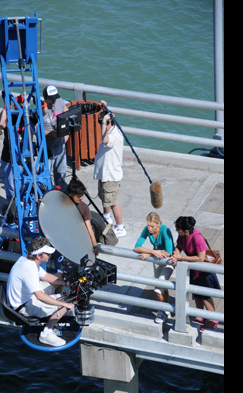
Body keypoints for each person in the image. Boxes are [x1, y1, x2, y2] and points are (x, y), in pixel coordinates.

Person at [6, 237, 75, 347]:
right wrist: (63, 304)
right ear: (39, 255)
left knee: (61, 275)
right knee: (65, 301)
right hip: (25, 306)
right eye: (47, 253)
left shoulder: (27, 259)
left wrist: (66, 281)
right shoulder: (29, 269)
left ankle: (53, 310)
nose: (49, 255)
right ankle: (46, 333)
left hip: (27, 296)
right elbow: (39, 296)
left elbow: (46, 276)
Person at [167, 216, 221, 331]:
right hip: (193, 270)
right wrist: (175, 254)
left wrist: (181, 258)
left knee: (205, 295)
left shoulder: (197, 238)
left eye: (178, 229)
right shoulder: (182, 236)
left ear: (186, 231)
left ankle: (213, 318)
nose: (177, 231)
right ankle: (199, 315)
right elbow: (179, 246)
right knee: (196, 294)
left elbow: (201, 258)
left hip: (203, 272)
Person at [93, 100, 126, 238]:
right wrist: (105, 107)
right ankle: (106, 217)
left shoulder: (113, 135)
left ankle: (120, 227)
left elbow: (105, 141)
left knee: (113, 203)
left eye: (104, 123)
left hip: (111, 176)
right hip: (105, 174)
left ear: (109, 123)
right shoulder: (110, 130)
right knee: (105, 198)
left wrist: (103, 123)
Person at [134, 212, 175, 323]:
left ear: (159, 223)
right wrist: (153, 252)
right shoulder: (147, 229)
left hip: (168, 261)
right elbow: (137, 247)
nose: (150, 228)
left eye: (152, 226)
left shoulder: (165, 230)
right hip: (157, 259)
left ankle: (161, 311)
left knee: (158, 288)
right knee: (163, 287)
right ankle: (167, 311)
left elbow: (169, 252)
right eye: (148, 225)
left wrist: (150, 254)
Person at [0, 91, 26, 201]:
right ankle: (12, 209)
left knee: (23, 187)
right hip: (8, 158)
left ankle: (20, 207)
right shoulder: (10, 117)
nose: (21, 107)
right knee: (10, 189)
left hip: (23, 160)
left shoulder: (28, 117)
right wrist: (5, 106)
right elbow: (0, 124)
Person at [42, 85, 69, 192]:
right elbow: (38, 131)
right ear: (45, 97)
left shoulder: (59, 101)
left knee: (61, 173)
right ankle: (47, 195)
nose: (54, 101)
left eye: (55, 98)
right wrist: (52, 134)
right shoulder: (40, 109)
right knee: (45, 176)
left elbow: (65, 110)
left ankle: (62, 193)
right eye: (51, 99)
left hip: (61, 145)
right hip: (48, 148)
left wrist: (66, 134)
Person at [67, 178, 100, 257]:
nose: (81, 198)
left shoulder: (84, 207)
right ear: (71, 194)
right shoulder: (63, 202)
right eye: (78, 196)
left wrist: (95, 245)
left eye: (82, 195)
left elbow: (89, 227)